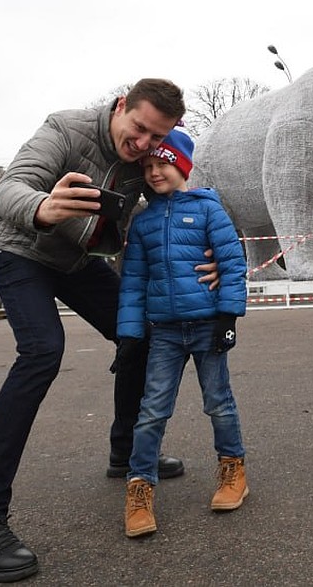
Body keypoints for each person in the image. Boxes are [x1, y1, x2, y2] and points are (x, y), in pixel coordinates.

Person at [0, 79, 217, 583]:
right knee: (42, 352)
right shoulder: (65, 129)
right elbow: (9, 186)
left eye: (154, 137)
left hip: (76, 263)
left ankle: (125, 450)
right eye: (138, 129)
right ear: (121, 106)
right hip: (21, 250)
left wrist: (206, 250)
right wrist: (40, 207)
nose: (142, 146)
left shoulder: (143, 160)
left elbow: (165, 207)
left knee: (142, 331)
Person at [116, 129, 249, 538]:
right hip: (165, 333)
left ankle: (233, 471)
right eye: (149, 166)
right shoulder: (142, 224)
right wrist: (129, 335)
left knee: (218, 402)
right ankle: (139, 489)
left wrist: (228, 318)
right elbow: (134, 281)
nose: (156, 172)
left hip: (208, 326)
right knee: (152, 410)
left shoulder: (210, 210)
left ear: (182, 165)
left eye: (163, 163)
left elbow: (231, 263)